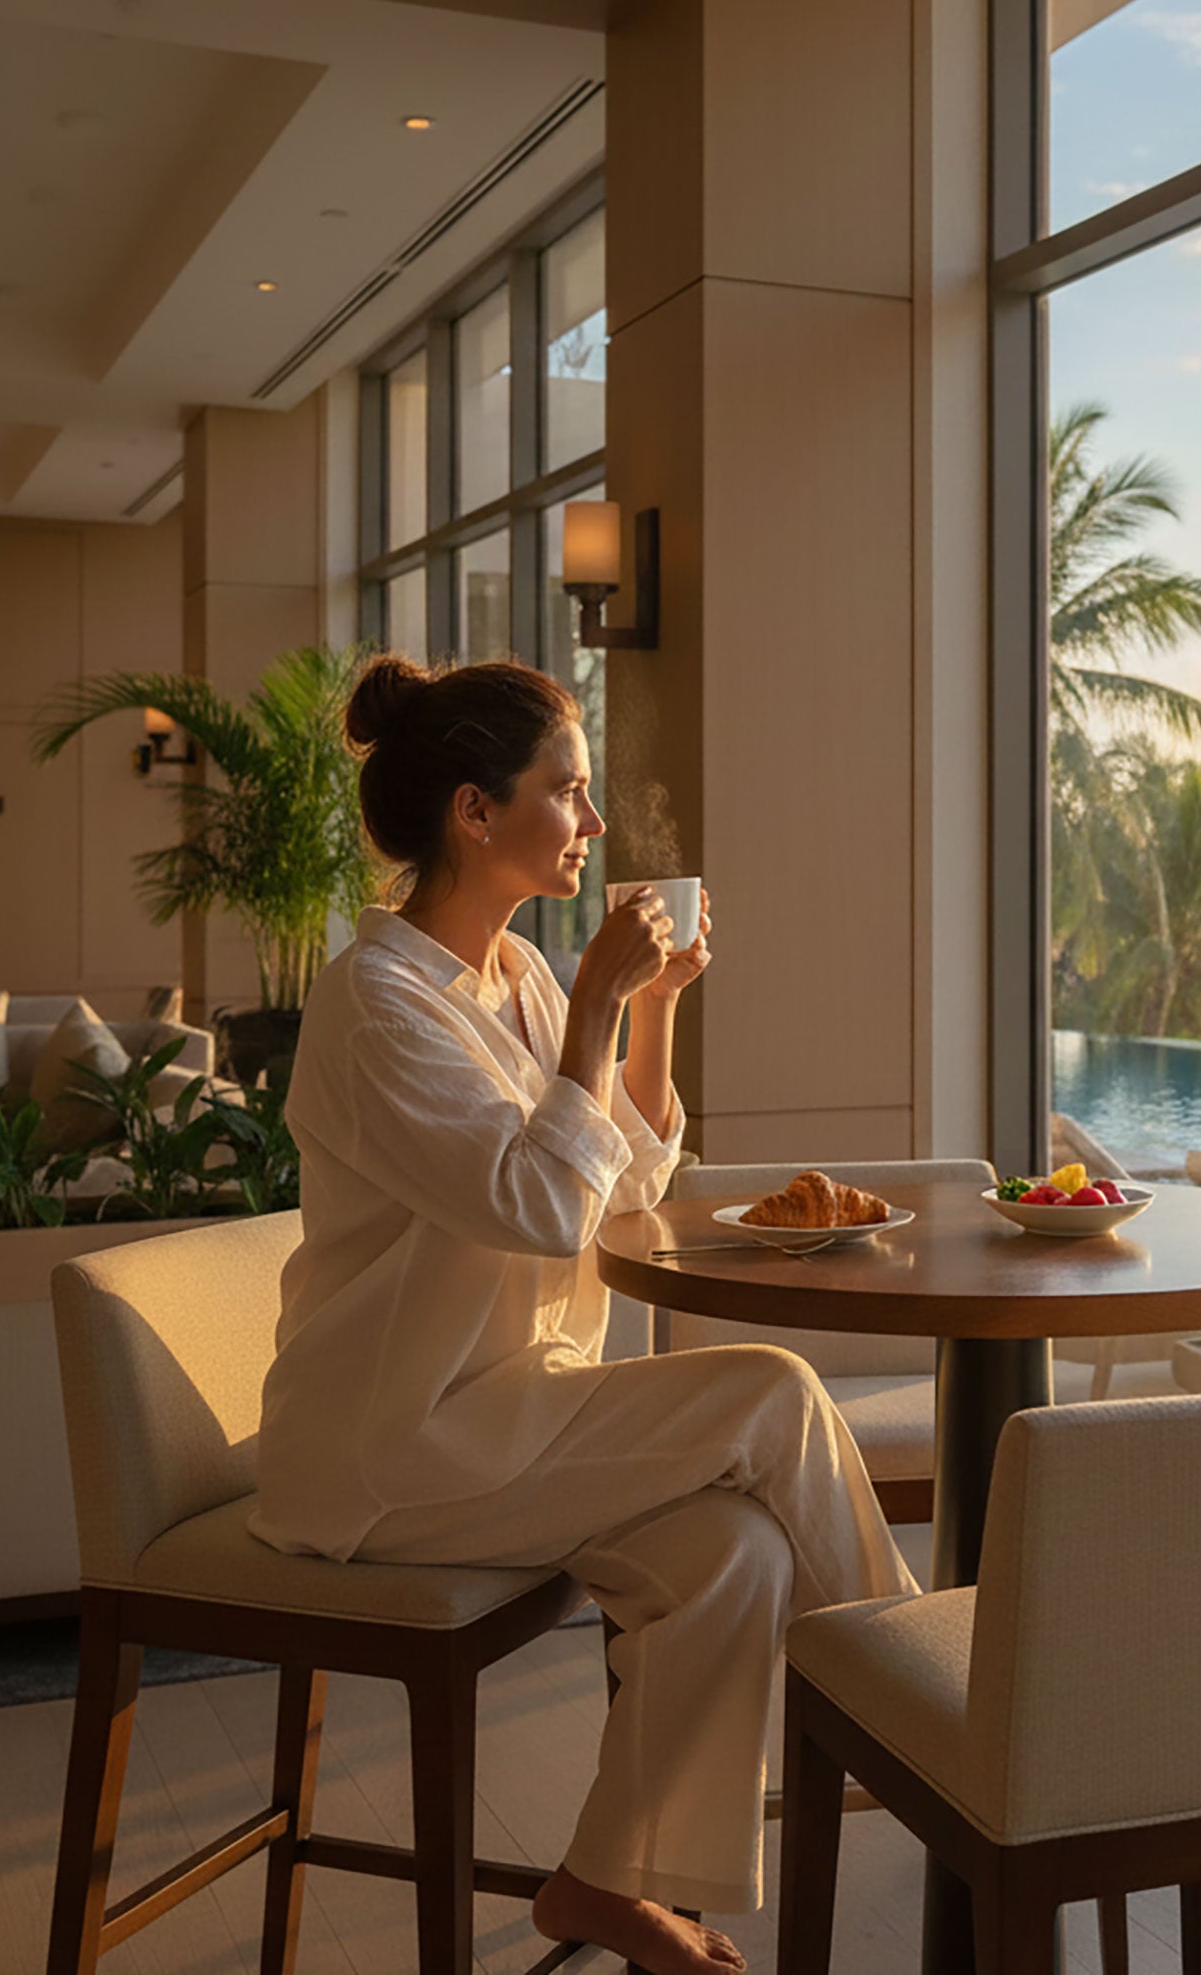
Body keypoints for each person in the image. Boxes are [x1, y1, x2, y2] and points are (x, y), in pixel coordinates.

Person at [251, 653, 917, 1975]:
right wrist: (604, 1000)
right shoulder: (378, 1007)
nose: (595, 823)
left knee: (735, 1554)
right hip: (396, 1446)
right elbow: (543, 1208)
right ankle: (918, 1721)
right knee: (773, 1391)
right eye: (567, 790)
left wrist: (647, 1013)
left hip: (517, 1410)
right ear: (475, 813)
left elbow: (619, 1187)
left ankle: (610, 1883)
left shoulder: (522, 983)